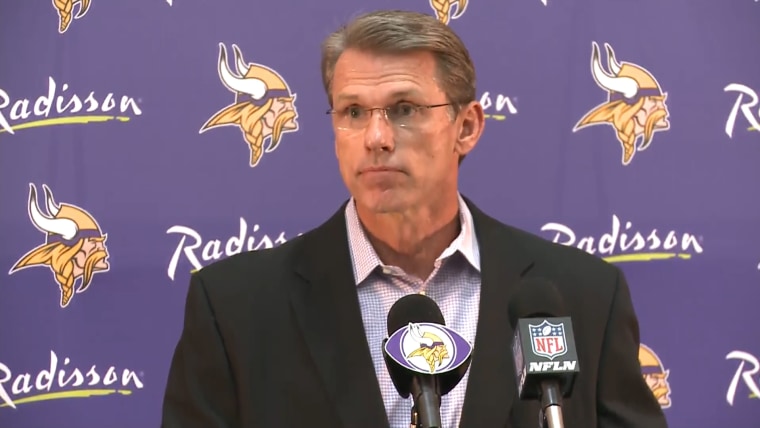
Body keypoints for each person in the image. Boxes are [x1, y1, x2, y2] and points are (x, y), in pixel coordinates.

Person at [160, 9, 669, 428]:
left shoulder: (582, 297)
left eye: (403, 109)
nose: (376, 138)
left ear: (466, 127)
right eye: (353, 112)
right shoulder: (234, 309)